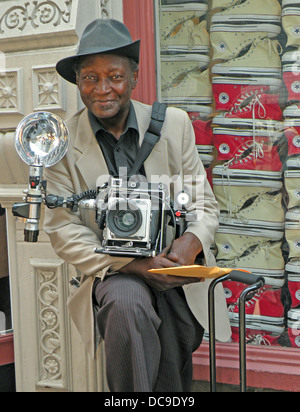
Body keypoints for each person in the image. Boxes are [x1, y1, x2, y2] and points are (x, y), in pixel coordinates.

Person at [43, 18, 231, 392]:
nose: (102, 89)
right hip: (115, 271)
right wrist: (135, 264)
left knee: (172, 374)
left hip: (174, 271)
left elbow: (204, 206)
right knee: (126, 301)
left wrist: (187, 246)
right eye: (90, 78)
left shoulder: (173, 126)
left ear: (134, 77)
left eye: (114, 76)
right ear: (78, 83)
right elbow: (63, 229)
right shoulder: (61, 145)